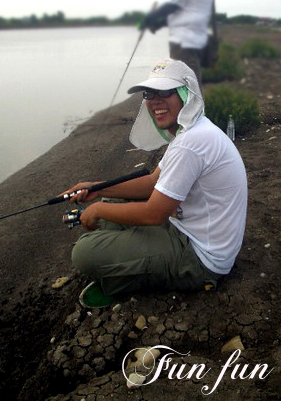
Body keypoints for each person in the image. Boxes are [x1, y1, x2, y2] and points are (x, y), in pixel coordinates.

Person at [65, 59, 247, 308]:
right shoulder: (192, 130)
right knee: (111, 206)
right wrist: (96, 189)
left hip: (202, 259)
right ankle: (129, 263)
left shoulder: (191, 143)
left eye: (165, 92)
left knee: (84, 252)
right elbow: (153, 183)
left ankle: (125, 280)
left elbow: (153, 214)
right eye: (150, 93)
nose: (154, 101)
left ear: (187, 94)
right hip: (187, 231)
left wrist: (95, 210)